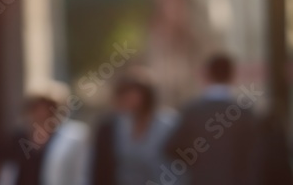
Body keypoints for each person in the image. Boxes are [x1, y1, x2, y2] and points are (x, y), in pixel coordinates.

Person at [162, 53, 255, 185]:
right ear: (232, 74)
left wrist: (195, 163)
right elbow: (255, 154)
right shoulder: (245, 112)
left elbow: (171, 147)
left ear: (207, 74)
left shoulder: (191, 110)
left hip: (201, 179)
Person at [89, 68, 176, 185]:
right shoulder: (112, 126)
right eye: (124, 94)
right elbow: (99, 166)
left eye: (133, 93)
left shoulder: (168, 124)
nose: (129, 99)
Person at [0, 81, 90, 185]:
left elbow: (80, 174)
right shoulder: (19, 138)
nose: (42, 114)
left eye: (48, 109)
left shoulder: (73, 137)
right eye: (37, 109)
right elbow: (9, 172)